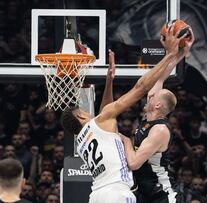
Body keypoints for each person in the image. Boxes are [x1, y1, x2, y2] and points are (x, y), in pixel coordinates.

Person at [61, 25, 193, 203]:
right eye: (86, 112)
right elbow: (140, 89)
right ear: (82, 117)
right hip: (117, 192)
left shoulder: (83, 142)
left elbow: (106, 113)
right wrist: (170, 53)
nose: (90, 114)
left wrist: (179, 55)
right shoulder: (102, 122)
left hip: (97, 195)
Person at [119, 29, 195, 202]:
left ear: (158, 105)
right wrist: (182, 52)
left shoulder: (159, 130)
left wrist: (125, 140)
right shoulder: (149, 120)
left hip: (164, 196)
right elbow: (159, 78)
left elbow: (134, 163)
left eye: (152, 96)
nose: (149, 96)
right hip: (148, 194)